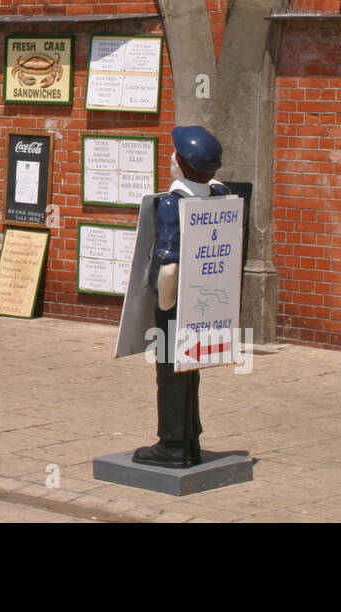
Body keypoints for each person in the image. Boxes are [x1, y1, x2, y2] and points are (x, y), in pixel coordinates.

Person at [128, 125, 228, 468]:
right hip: (205, 296)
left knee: (170, 370)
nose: (171, 157)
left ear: (181, 164)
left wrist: (164, 304)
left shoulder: (173, 203)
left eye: (176, 154)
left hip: (174, 300)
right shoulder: (217, 195)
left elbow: (168, 264)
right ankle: (191, 440)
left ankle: (171, 444)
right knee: (192, 367)